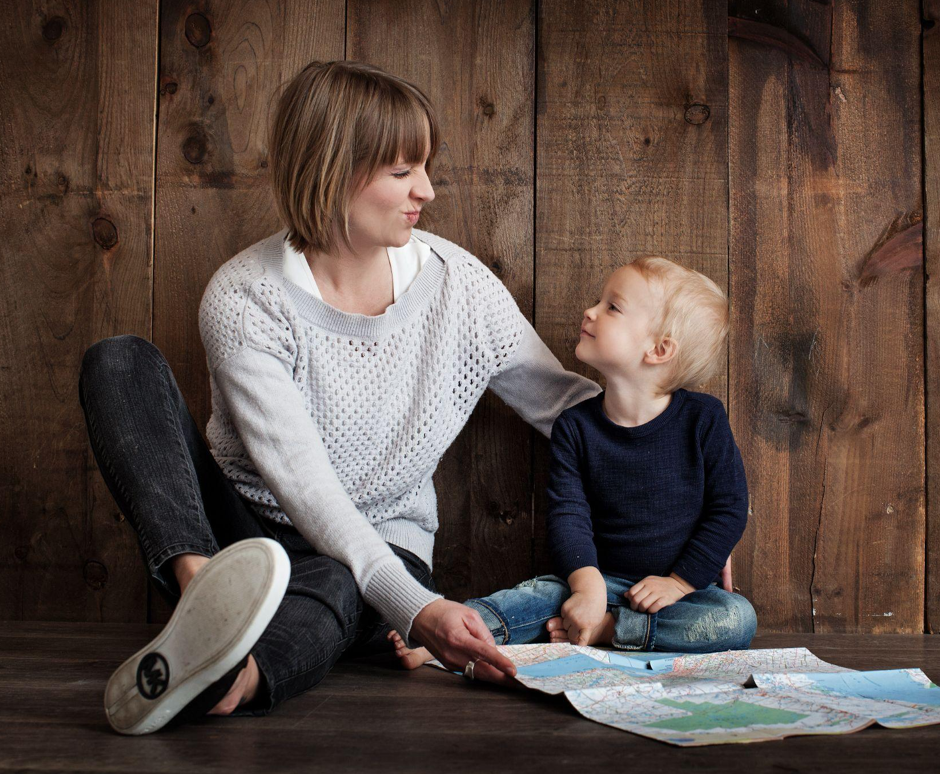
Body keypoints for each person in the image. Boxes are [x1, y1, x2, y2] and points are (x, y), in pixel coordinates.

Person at [78, 59, 603, 734]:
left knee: (337, 578)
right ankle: (204, 598)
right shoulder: (245, 298)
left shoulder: (460, 288)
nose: (428, 191)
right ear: (333, 169)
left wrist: (682, 483)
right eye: (402, 171)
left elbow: (565, 407)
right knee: (119, 362)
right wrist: (415, 612)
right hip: (240, 533)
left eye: (424, 166)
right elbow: (306, 488)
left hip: (378, 547)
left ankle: (232, 676)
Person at [391, 255, 755, 667]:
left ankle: (613, 631)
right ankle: (446, 637)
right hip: (597, 579)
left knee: (735, 619)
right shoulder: (576, 427)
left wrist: (679, 582)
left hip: (677, 595)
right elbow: (568, 514)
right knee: (533, 598)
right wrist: (586, 587)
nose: (591, 311)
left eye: (612, 307)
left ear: (659, 349)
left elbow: (728, 508)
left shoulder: (703, 419)